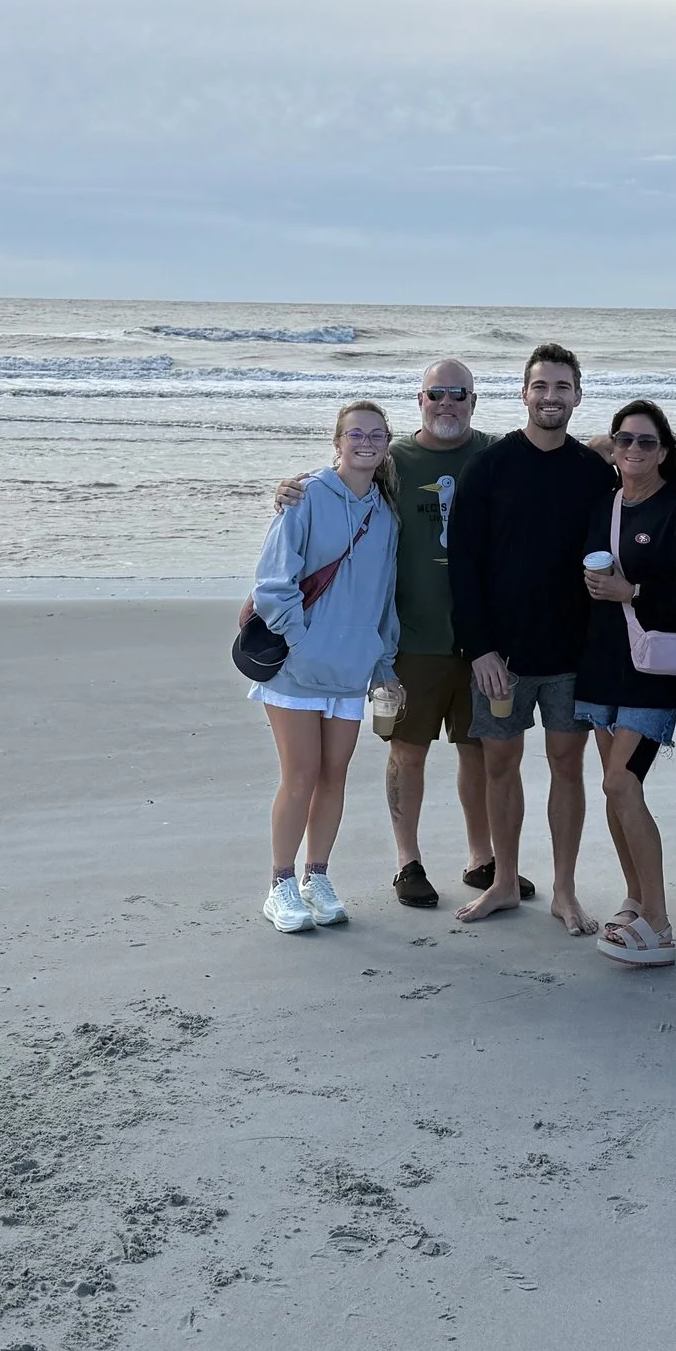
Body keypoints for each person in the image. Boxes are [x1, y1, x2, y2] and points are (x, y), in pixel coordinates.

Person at [273, 359, 514, 911]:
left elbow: (558, 461)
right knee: (408, 751)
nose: (447, 402)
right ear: (420, 400)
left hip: (485, 639)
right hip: (409, 636)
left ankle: (482, 858)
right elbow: (342, 477)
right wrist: (292, 489)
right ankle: (408, 861)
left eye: (459, 393)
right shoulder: (394, 459)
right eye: (436, 393)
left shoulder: (496, 455)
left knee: (478, 750)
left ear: (474, 401)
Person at [446, 343, 616, 929]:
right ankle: (504, 881)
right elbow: (463, 564)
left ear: (578, 396)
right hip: (501, 657)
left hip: (571, 655)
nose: (551, 396)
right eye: (541, 386)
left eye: (562, 386)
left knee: (568, 765)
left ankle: (565, 891)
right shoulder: (488, 467)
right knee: (500, 763)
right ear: (523, 393)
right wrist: (479, 648)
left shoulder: (594, 472)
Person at [247, 400, 404, 934]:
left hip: (352, 669)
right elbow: (274, 581)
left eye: (376, 434)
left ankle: (316, 877)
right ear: (337, 442)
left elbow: (384, 597)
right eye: (355, 433)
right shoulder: (308, 495)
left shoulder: (385, 513)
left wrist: (383, 663)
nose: (366, 442)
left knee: (334, 776)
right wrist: (301, 640)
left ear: (387, 444)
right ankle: (280, 885)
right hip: (298, 667)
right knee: (301, 775)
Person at [573, 399, 676, 968]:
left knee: (621, 783)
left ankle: (660, 923)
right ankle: (635, 898)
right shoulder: (603, 505)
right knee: (614, 786)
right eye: (624, 440)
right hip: (604, 659)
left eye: (647, 441)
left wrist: (635, 592)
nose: (634, 450)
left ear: (665, 450)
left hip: (655, 668)